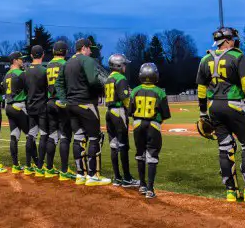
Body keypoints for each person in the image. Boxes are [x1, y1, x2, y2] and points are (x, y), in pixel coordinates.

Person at [196, 27, 245, 203]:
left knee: (225, 148)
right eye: (234, 39)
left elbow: (201, 89)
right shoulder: (237, 56)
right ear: (228, 40)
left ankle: (231, 191)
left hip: (213, 106)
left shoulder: (205, 59)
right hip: (234, 105)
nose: (236, 42)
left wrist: (202, 113)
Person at [55, 38, 111, 186]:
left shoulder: (67, 63)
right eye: (90, 48)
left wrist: (64, 99)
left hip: (71, 105)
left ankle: (81, 174)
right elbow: (93, 81)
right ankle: (92, 176)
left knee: (79, 137)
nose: (91, 51)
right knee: (94, 138)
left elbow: (58, 83)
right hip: (86, 104)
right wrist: (100, 91)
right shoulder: (88, 60)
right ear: (84, 48)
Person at [129, 63, 171, 199]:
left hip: (137, 125)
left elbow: (130, 111)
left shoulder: (135, 91)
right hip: (153, 125)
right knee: (152, 156)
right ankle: (150, 189)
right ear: (155, 75)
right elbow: (165, 114)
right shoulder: (160, 92)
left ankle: (142, 184)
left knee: (140, 154)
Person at [104, 54, 140, 187]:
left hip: (109, 113)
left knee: (114, 146)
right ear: (119, 66)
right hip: (118, 113)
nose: (125, 66)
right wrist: (132, 111)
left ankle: (117, 178)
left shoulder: (108, 78)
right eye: (124, 64)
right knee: (123, 145)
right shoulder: (121, 78)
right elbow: (125, 99)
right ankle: (127, 178)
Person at [45, 41, 74, 181]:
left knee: (52, 135)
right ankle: (64, 170)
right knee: (65, 136)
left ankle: (49, 168)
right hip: (62, 102)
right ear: (65, 52)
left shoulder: (49, 64)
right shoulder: (66, 64)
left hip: (50, 101)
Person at [24, 45, 50, 178]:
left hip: (30, 106)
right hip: (42, 107)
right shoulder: (44, 71)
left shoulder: (26, 71)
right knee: (44, 135)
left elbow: (25, 90)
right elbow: (48, 89)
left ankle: (28, 166)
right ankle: (40, 166)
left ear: (31, 55)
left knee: (31, 135)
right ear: (43, 55)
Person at [4, 51, 30, 174]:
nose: (22, 61)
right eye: (20, 59)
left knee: (14, 135)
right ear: (15, 60)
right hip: (19, 106)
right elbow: (30, 89)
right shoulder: (20, 73)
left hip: (8, 107)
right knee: (30, 134)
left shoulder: (6, 74)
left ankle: (15, 165)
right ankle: (31, 164)